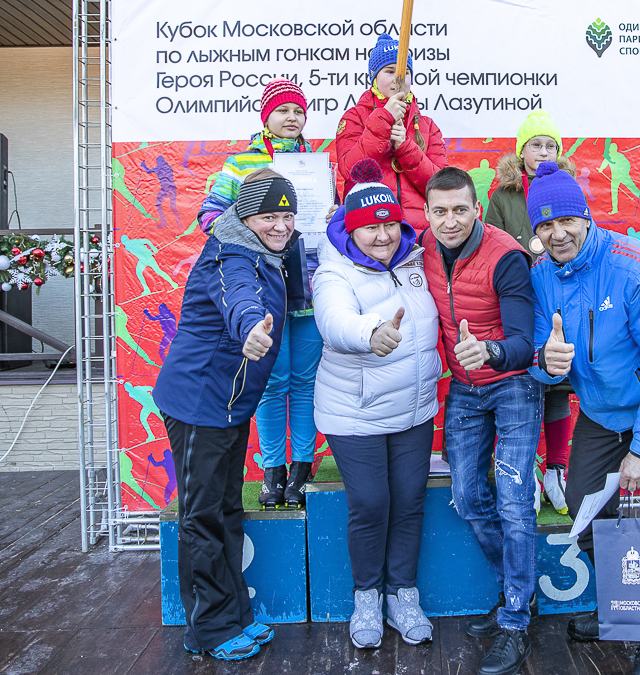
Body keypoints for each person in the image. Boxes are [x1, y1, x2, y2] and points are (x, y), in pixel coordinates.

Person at [527, 161, 640, 675]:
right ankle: (626, 607)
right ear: (535, 230)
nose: (558, 234)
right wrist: (544, 362)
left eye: (567, 222)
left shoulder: (634, 263)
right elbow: (543, 351)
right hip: (602, 414)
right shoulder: (541, 277)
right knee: (585, 510)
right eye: (545, 225)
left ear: (586, 217)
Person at [153, 169, 298, 660]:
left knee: (227, 509)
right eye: (268, 216)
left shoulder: (272, 252)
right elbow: (240, 299)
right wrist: (250, 330)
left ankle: (235, 612)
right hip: (199, 404)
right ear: (245, 215)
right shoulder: (229, 253)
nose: (280, 226)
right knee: (203, 517)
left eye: (287, 215)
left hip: (229, 405)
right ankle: (208, 630)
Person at [312, 158, 442, 649]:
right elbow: (334, 321)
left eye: (389, 222)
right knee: (371, 504)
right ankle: (367, 597)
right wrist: (370, 333)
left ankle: (402, 594)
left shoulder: (415, 260)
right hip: (356, 412)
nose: (383, 235)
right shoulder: (334, 270)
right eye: (369, 227)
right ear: (351, 229)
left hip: (414, 409)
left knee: (409, 503)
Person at [419, 167, 541, 675]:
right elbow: (355, 235)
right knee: (467, 496)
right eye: (440, 211)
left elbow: (523, 344)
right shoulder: (419, 246)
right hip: (465, 390)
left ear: (476, 209)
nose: (450, 221)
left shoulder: (506, 256)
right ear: (427, 214)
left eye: (459, 210)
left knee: (514, 502)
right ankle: (516, 590)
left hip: (509, 382)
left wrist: (487, 350)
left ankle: (515, 620)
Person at [198, 79, 325, 509]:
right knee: (272, 383)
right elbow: (210, 215)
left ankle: (302, 472)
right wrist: (258, 231)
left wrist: (333, 215)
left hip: (307, 284)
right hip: (259, 285)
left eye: (299, 111)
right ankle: (272, 472)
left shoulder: (318, 162)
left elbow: (341, 222)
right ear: (265, 115)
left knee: (306, 383)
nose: (293, 118)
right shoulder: (240, 164)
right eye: (283, 110)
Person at [485, 109, 575, 515]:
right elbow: (492, 240)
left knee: (558, 386)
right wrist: (527, 249)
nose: (543, 151)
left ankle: (557, 467)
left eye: (550, 144)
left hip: (560, 296)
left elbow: (576, 233)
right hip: (519, 297)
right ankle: (527, 472)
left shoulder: (568, 185)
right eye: (535, 144)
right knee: (523, 384)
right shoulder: (503, 193)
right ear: (521, 152)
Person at [335, 33, 448, 233]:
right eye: (389, 71)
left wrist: (405, 148)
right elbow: (350, 170)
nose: (398, 78)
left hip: (419, 236)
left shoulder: (428, 126)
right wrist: (383, 121)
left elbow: (441, 187)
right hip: (371, 232)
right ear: (374, 77)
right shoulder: (354, 118)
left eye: (405, 72)